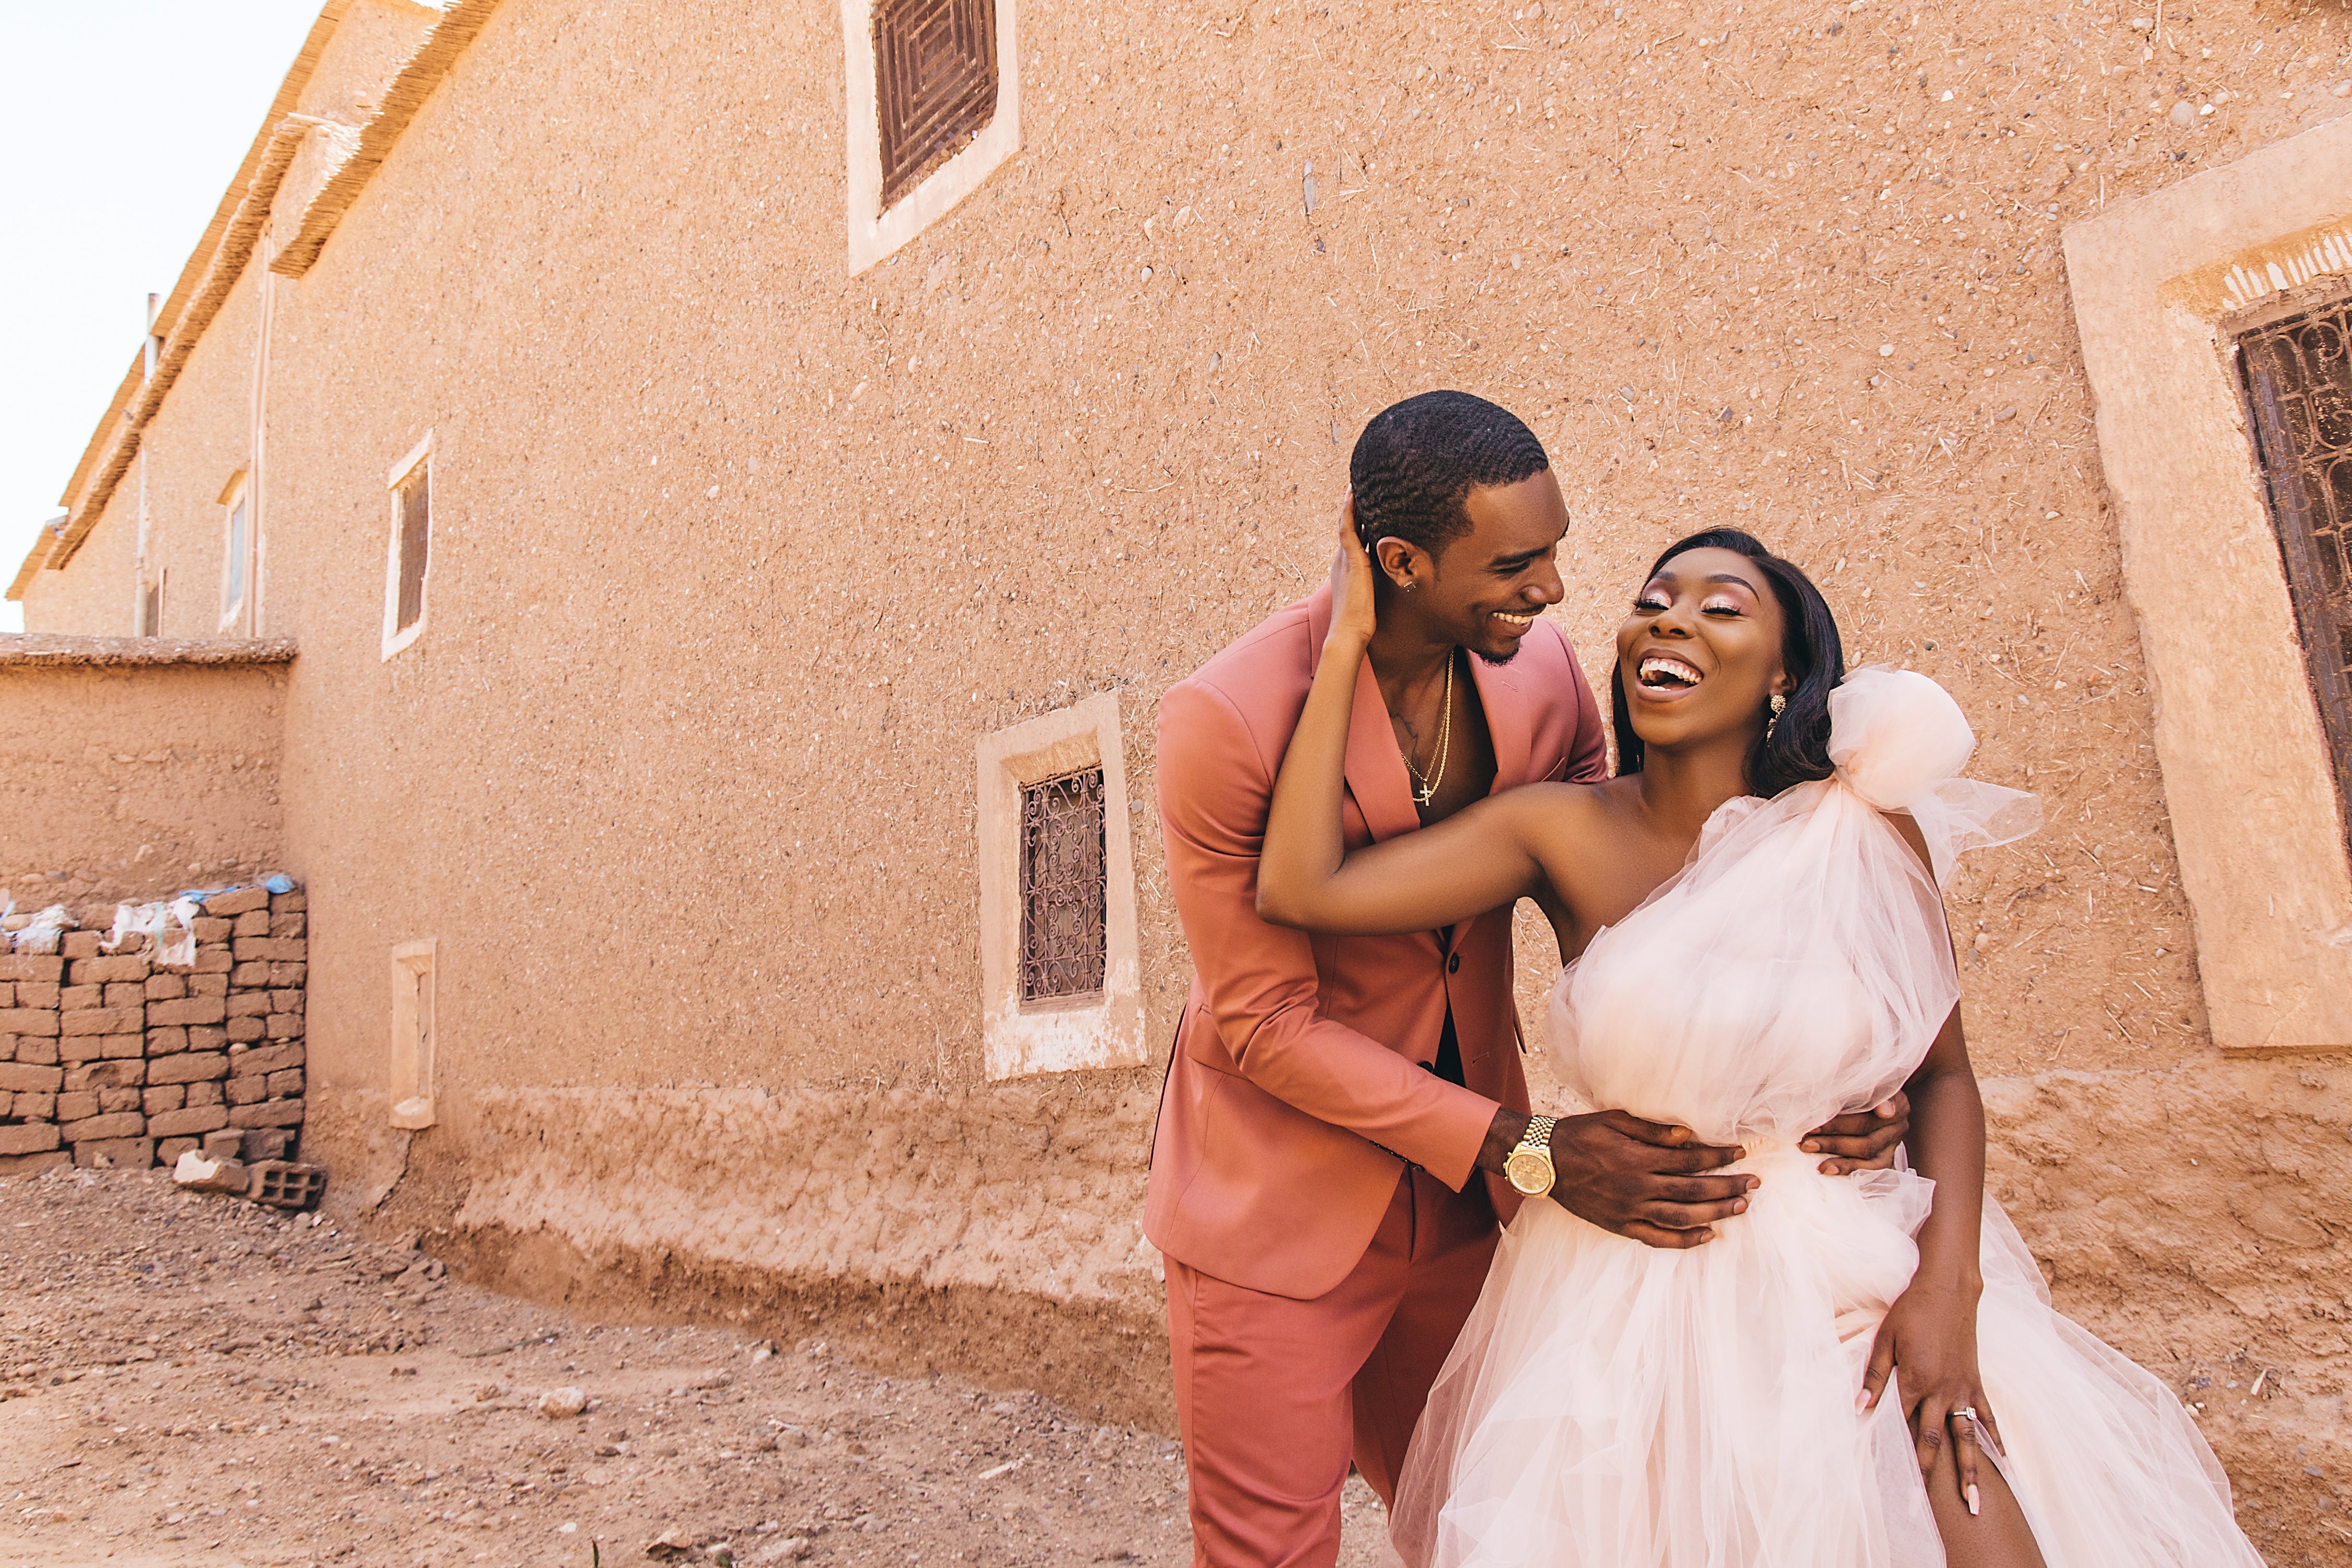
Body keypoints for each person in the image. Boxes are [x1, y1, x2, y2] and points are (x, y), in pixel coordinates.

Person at [1256, 521, 2269, 1567]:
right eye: (1656, 599)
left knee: (1966, 1521)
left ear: (1783, 671)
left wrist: (1947, 1290)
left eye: (1720, 606)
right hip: (1627, 1297)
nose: (1673, 618)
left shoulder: (1861, 830)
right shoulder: (1557, 832)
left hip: (1842, 1269)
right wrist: (1343, 650)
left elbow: (1945, 1079)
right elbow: (1300, 887)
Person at [1148, 391, 1910, 1567]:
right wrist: (1531, 1147)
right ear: (1399, 560)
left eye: (1554, 550)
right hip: (1282, 1206)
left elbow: (1649, 889)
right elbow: (1261, 1022)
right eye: (1517, 563)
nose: (1556, 589)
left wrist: (1807, 1067)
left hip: (1476, 1216)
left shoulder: (1541, 671)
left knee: (1488, 1528)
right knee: (1269, 1556)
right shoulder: (1228, 721)